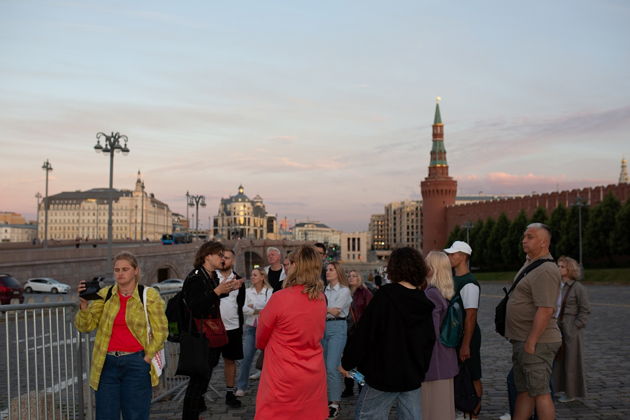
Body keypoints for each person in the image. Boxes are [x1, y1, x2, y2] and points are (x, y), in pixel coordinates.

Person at [340, 247, 435, 420]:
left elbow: (364, 334)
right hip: (411, 375)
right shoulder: (423, 300)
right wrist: (420, 368)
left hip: (383, 375)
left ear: (394, 268)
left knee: (368, 416)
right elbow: (428, 341)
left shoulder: (385, 296)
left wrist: (347, 362)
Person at [75, 251, 168, 420]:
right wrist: (84, 305)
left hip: (136, 363)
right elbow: (85, 326)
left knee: (135, 415)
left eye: (125, 269)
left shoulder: (148, 295)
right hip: (107, 364)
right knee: (105, 415)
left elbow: (161, 331)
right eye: (116, 270)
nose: (120, 273)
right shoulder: (105, 295)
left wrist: (146, 358)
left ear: (136, 271)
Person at [255, 245, 328, 420]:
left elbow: (260, 338)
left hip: (282, 376)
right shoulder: (321, 299)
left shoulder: (280, 298)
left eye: (290, 263)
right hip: (313, 373)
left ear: (296, 266)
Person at [506, 223, 562, 420]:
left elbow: (546, 309)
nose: (524, 240)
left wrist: (532, 341)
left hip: (537, 342)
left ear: (544, 242)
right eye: (524, 236)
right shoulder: (531, 264)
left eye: (530, 237)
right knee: (525, 391)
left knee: (540, 393)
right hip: (523, 339)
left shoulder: (545, 269)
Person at [181, 241, 240, 419]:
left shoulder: (211, 275)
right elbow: (195, 306)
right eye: (219, 255)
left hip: (210, 335)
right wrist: (217, 292)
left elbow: (211, 299)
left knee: (203, 380)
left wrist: (227, 289)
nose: (222, 258)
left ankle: (195, 413)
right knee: (197, 383)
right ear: (207, 256)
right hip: (199, 337)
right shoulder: (196, 277)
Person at [444, 240, 483, 418]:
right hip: (456, 335)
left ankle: (474, 412)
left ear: (463, 256)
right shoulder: (454, 279)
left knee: (472, 374)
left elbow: (471, 315)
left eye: (453, 254)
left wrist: (466, 344)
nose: (450, 257)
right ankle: (465, 408)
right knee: (460, 374)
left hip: (467, 336)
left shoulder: (469, 283)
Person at [422, 251, 459, 420]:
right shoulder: (442, 291)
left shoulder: (431, 294)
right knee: (443, 405)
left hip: (434, 358)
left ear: (432, 267)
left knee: (433, 406)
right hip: (445, 356)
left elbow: (431, 331)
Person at [552, 255, 591, 403]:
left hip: (570, 328)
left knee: (572, 361)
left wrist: (576, 327)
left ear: (569, 269)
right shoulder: (557, 285)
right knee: (558, 360)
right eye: (558, 266)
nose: (559, 268)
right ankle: (558, 388)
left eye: (562, 266)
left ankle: (571, 393)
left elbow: (585, 309)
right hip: (556, 326)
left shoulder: (577, 288)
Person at [216, 249, 246, 408]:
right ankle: (199, 395)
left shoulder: (239, 280)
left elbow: (240, 304)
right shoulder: (211, 277)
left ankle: (230, 393)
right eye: (221, 257)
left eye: (226, 258)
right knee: (208, 362)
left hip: (233, 327)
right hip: (213, 328)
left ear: (233, 261)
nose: (223, 260)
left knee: (230, 361)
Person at [235, 267, 272, 396]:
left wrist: (253, 308)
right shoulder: (247, 291)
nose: (252, 277)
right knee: (246, 358)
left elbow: (270, 310)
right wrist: (258, 310)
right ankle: (241, 386)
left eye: (255, 275)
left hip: (266, 330)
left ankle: (269, 387)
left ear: (262, 277)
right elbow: (243, 308)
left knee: (269, 360)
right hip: (251, 329)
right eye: (252, 275)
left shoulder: (269, 292)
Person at [323, 262, 353, 418]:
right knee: (323, 367)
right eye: (327, 269)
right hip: (322, 328)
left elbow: (335, 311)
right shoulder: (324, 291)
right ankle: (325, 399)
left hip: (337, 328)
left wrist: (319, 307)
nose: (327, 272)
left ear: (338, 272)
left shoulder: (344, 291)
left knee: (332, 367)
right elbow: (328, 310)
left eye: (331, 269)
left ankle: (334, 403)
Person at [342, 270, 373, 398]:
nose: (351, 278)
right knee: (347, 362)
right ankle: (348, 387)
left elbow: (370, 312)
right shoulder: (344, 292)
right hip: (345, 330)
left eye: (354, 276)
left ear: (359, 278)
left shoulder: (365, 293)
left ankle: (361, 386)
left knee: (360, 363)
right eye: (349, 275)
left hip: (359, 331)